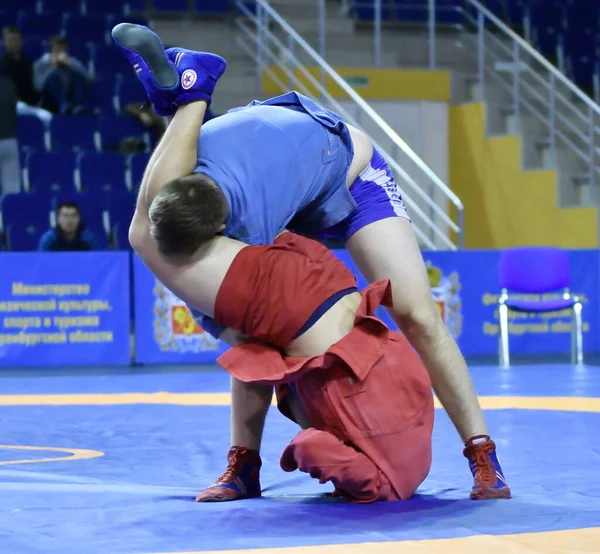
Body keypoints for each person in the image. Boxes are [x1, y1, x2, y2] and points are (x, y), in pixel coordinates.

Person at [112, 23, 510, 502]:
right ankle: (183, 94)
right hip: (282, 168)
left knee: (416, 314)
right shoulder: (175, 193)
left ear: (216, 232)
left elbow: (232, 313)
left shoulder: (240, 214)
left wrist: (216, 322)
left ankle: (482, 453)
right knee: (249, 316)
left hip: (346, 169)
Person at [197, 231, 435, 503]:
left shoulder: (413, 470)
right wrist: (293, 457)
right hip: (323, 347)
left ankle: (244, 465)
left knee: (257, 343)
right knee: (253, 349)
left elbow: (417, 386)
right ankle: (244, 464)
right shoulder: (379, 486)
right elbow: (309, 446)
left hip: (358, 323)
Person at [0, 26, 52, 125]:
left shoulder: (28, 63)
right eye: (10, 40)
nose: (14, 43)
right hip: (9, 106)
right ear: (4, 42)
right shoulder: (1, 65)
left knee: (48, 117)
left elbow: (35, 88)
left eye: (16, 39)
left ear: (21, 41)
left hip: (29, 106)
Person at [33, 36, 92, 115]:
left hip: (71, 98)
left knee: (78, 75)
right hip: (49, 101)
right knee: (54, 75)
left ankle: (76, 106)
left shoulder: (71, 62)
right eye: (57, 50)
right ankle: (65, 106)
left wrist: (70, 63)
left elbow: (87, 78)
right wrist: (53, 68)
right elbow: (38, 86)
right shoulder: (41, 64)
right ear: (51, 50)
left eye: (63, 50)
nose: (60, 53)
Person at [0, 76, 21, 196]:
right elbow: (14, 113)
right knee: (12, 191)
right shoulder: (8, 83)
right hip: (9, 140)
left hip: (8, 140)